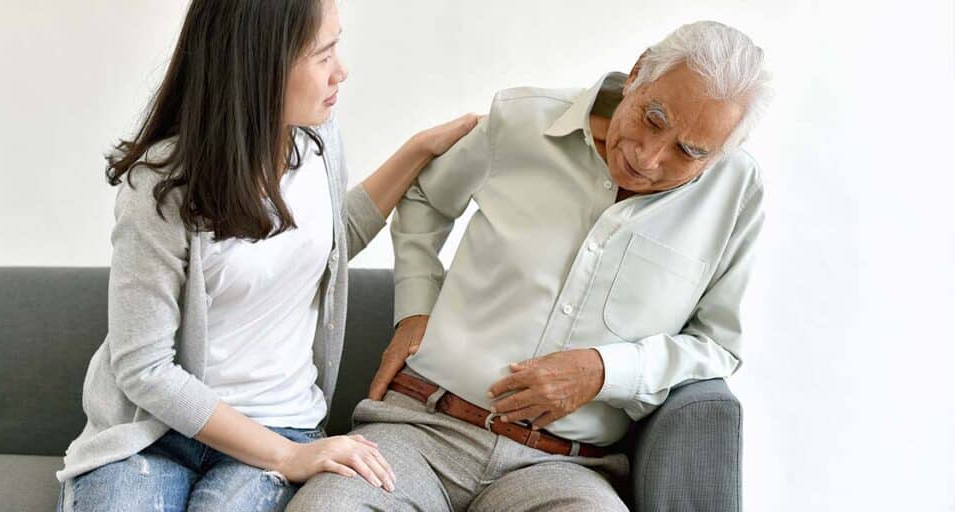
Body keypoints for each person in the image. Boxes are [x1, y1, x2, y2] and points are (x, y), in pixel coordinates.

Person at [288, 21, 772, 511]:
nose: (649, 157)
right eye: (652, 118)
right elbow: (425, 199)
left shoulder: (736, 195)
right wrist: (415, 306)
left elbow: (715, 345)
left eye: (689, 152)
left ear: (718, 157)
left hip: (563, 468)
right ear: (637, 73)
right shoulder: (522, 121)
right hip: (421, 430)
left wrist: (605, 371)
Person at [54, 1, 478, 510]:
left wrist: (418, 151)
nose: (340, 70)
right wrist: (286, 458)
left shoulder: (319, 142)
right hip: (154, 434)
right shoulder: (161, 187)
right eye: (323, 54)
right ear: (260, 64)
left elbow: (326, 239)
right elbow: (144, 369)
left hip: (281, 421)